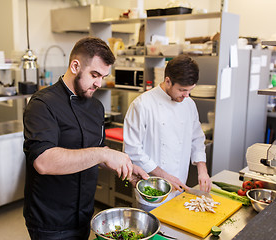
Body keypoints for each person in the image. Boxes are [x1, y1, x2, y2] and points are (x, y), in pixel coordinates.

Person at [22, 37, 148, 240]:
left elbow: (97, 150)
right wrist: (102, 153)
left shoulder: (96, 107)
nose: (99, 83)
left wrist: (124, 167)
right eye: (95, 75)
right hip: (50, 220)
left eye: (104, 76)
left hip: (84, 215)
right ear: (75, 65)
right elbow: (43, 162)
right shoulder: (42, 104)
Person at [123, 54, 212, 212]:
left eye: (190, 91)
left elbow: (197, 138)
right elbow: (132, 150)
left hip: (179, 189)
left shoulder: (189, 104)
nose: (186, 96)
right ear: (168, 81)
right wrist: (164, 175)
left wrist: (202, 169)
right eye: (182, 90)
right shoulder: (142, 105)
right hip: (152, 193)